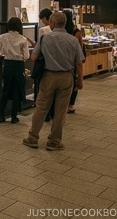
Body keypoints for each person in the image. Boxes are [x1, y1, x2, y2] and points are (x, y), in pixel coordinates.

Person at [23, 12, 85, 151]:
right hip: (66, 77)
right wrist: (80, 80)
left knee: (41, 107)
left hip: (48, 77)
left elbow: (33, 57)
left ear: (52, 23)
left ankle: (32, 138)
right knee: (60, 111)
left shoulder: (44, 38)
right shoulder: (73, 40)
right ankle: (54, 141)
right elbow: (79, 63)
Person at [0, 17, 29, 124]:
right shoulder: (23, 39)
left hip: (8, 64)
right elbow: (26, 56)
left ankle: (1, 116)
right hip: (18, 66)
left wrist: (3, 55)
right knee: (16, 91)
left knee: (6, 90)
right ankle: (14, 117)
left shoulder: (3, 37)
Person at [64, 9, 85, 114]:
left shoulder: (61, 32)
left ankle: (65, 104)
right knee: (74, 82)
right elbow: (80, 47)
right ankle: (71, 105)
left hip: (64, 60)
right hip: (74, 61)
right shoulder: (76, 31)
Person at [36, 7, 54, 118]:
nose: (42, 21)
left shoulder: (43, 30)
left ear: (45, 18)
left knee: (44, 91)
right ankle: (52, 113)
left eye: (42, 19)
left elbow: (39, 47)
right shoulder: (57, 29)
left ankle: (46, 115)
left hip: (45, 63)